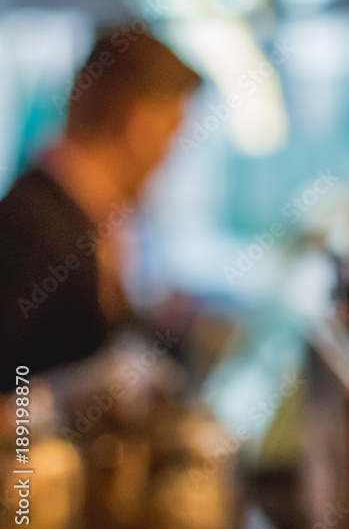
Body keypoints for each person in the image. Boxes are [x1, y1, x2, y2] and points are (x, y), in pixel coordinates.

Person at [0, 28, 201, 382]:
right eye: (173, 135)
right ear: (143, 130)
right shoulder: (37, 233)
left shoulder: (68, 219)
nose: (170, 159)